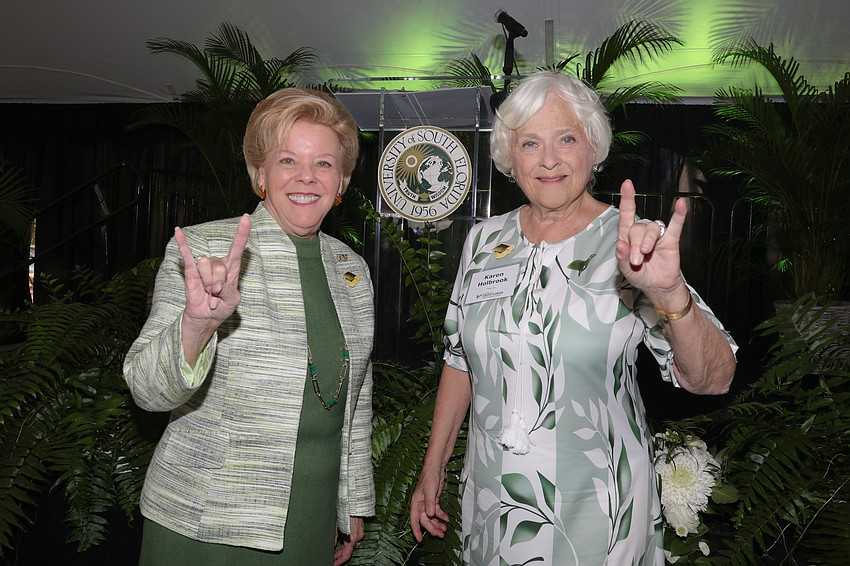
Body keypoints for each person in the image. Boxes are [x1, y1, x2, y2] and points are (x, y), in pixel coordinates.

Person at [409, 71, 737, 565]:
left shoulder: (631, 244)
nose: (548, 159)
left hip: (601, 511)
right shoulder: (482, 242)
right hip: (492, 502)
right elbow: (461, 361)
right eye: (530, 143)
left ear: (594, 148)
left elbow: (713, 379)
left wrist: (668, 290)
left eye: (566, 138)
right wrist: (432, 467)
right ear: (509, 156)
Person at [124, 87, 374, 566]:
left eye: (324, 164)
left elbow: (356, 393)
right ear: (261, 173)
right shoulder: (204, 248)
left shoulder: (352, 269)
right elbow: (146, 390)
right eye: (287, 161)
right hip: (208, 523)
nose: (306, 178)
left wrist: (353, 500)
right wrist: (197, 324)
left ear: (341, 179)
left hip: (311, 518)